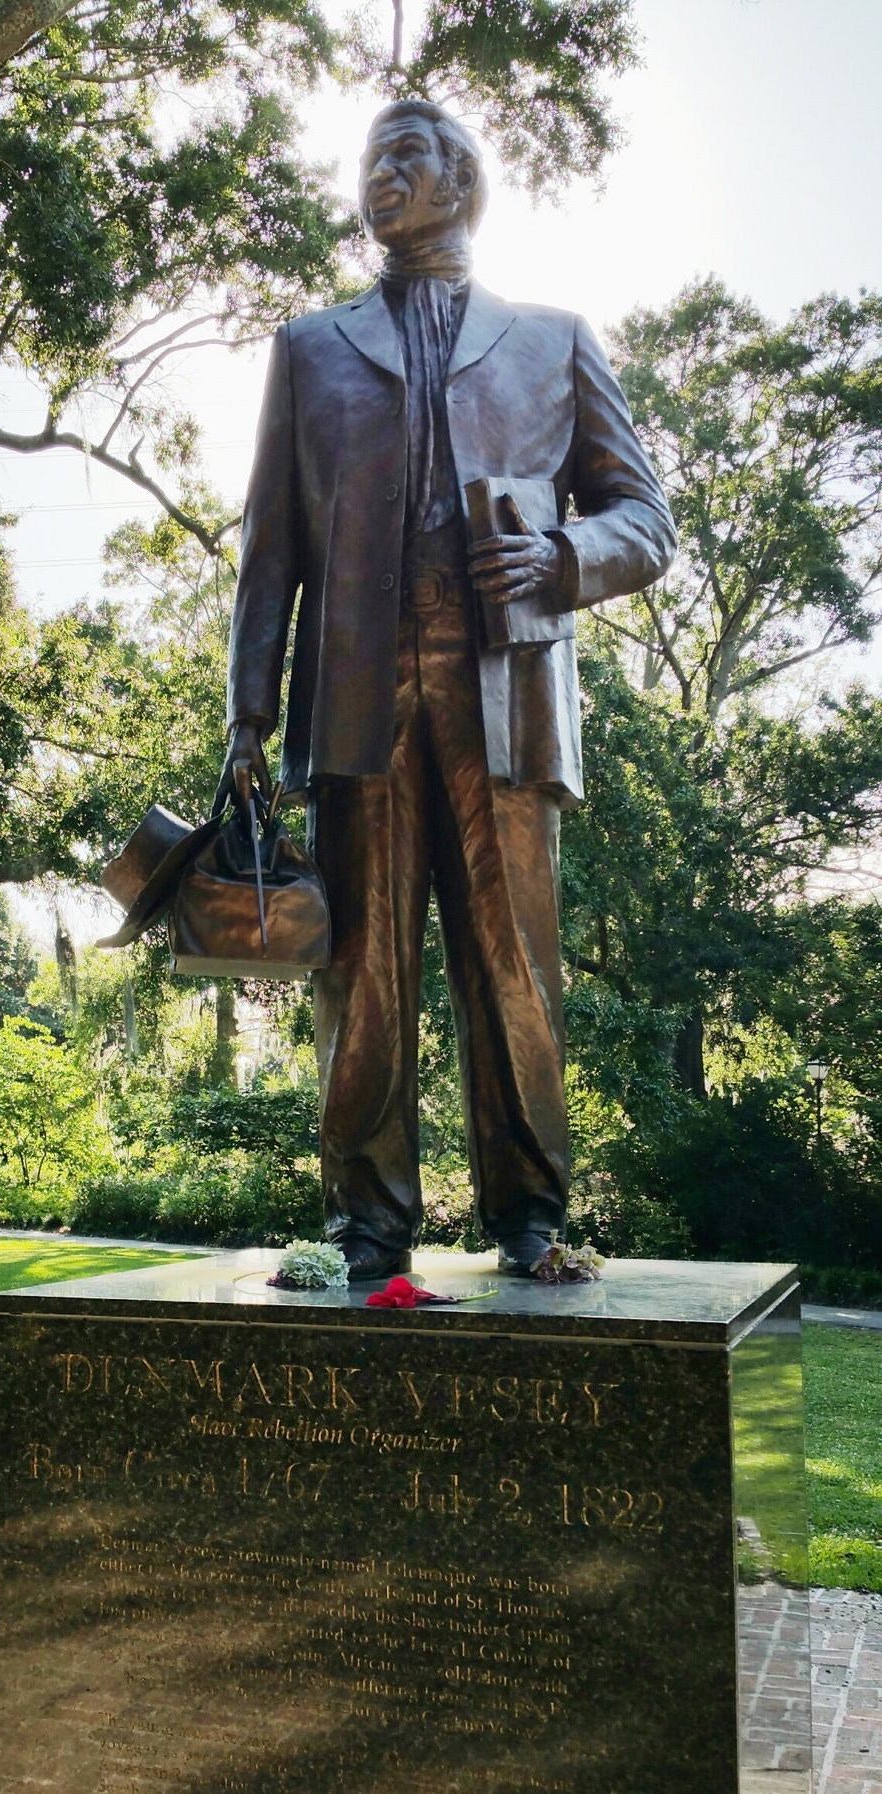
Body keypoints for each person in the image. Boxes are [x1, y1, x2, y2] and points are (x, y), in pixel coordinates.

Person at [220, 99, 676, 1280]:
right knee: (359, 970)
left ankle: (528, 1215)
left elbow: (646, 519)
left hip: (504, 700)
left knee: (511, 962)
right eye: (368, 159)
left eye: (403, 156)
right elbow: (270, 548)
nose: (378, 176)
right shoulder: (310, 349)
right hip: (357, 699)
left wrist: (560, 558)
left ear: (462, 184)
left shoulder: (552, 339)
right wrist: (247, 715)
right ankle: (367, 1224)